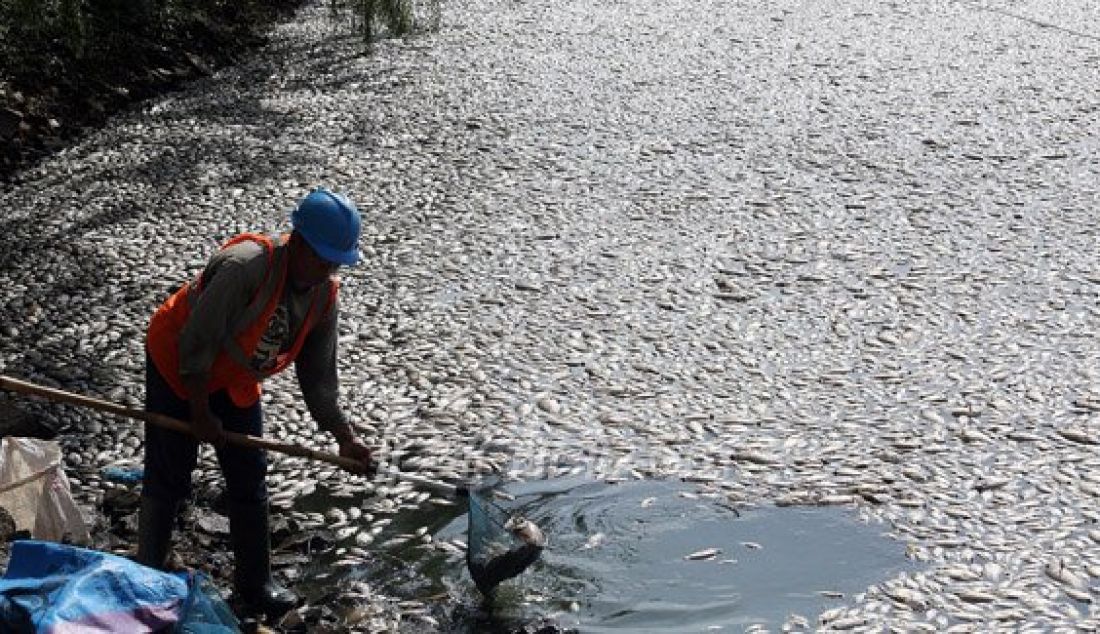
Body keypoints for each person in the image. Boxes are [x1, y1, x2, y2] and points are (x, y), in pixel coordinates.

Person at [137, 187, 374, 617]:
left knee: (249, 476)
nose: (326, 271)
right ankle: (147, 570)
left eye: (334, 264)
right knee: (170, 471)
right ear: (298, 243)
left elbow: (319, 377)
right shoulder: (246, 266)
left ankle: (255, 584)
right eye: (321, 259)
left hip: (235, 379)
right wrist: (200, 412)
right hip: (180, 365)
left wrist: (344, 436)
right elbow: (197, 341)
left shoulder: (323, 297)